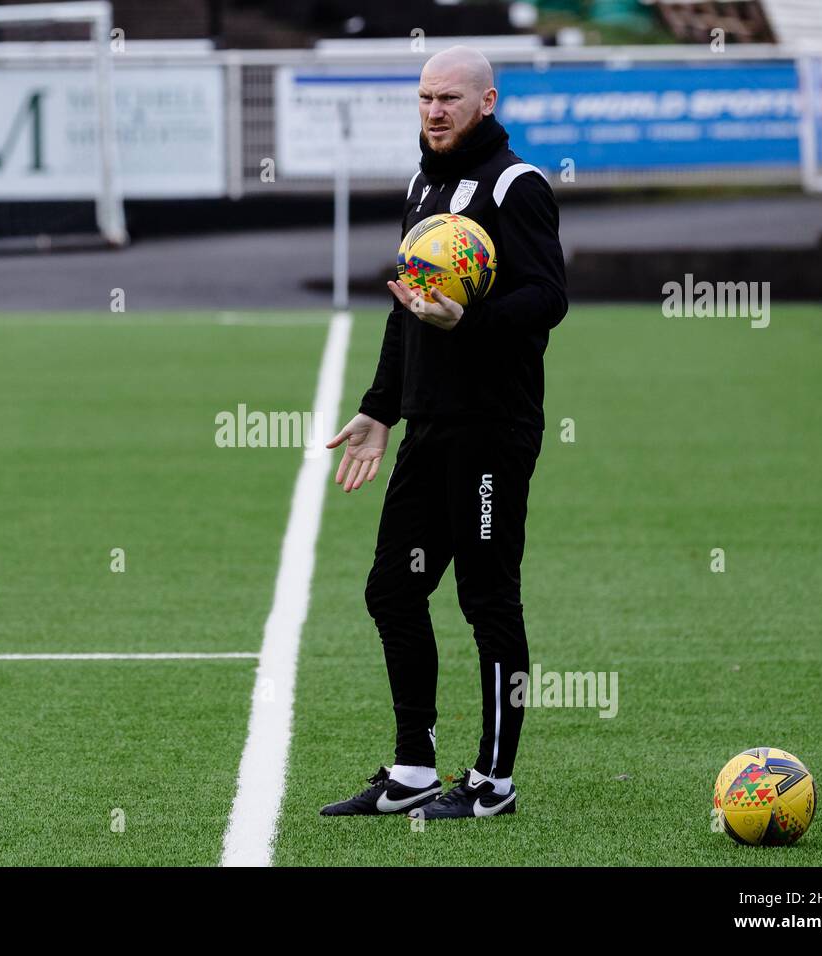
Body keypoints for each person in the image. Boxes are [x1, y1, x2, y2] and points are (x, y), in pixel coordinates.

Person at [320, 45, 567, 820]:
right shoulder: (423, 182)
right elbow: (407, 308)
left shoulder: (515, 185)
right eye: (425, 98)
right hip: (428, 427)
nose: (434, 111)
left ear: (486, 102)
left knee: (488, 599)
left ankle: (494, 783)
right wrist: (378, 408)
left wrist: (473, 320)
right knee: (393, 590)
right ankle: (413, 768)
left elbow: (548, 298)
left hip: (493, 431)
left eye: (450, 99)